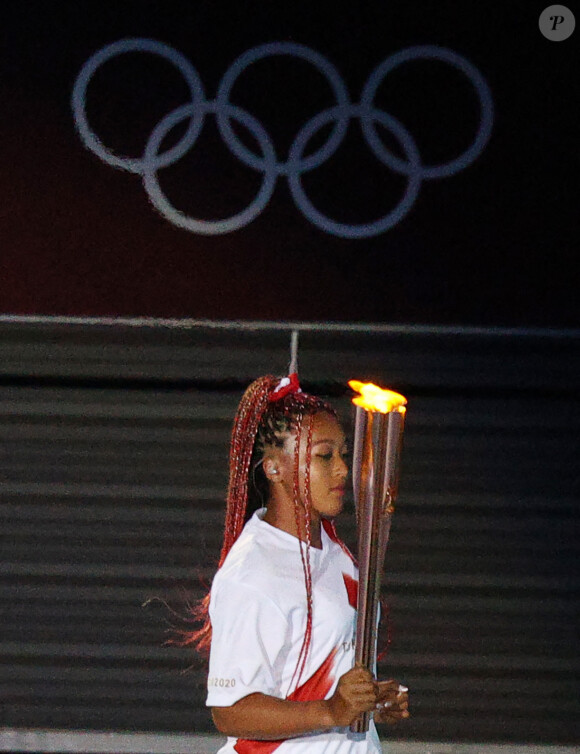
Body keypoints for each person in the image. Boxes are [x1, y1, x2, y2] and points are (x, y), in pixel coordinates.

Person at [189, 374, 409, 753]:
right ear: (274, 467)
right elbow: (230, 712)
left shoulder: (335, 551)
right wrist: (330, 710)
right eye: (325, 456)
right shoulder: (253, 571)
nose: (343, 469)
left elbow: (322, 671)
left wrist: (370, 700)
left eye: (343, 453)